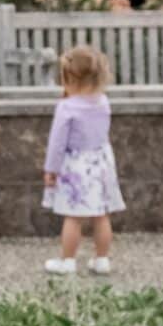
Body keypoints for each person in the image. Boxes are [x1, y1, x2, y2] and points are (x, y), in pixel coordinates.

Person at [42, 45, 123, 276]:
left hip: (76, 166)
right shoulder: (103, 102)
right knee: (102, 215)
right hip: (101, 162)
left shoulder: (66, 107)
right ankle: (102, 260)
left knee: (73, 217)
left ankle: (67, 261)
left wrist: (51, 169)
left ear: (69, 78)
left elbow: (57, 143)